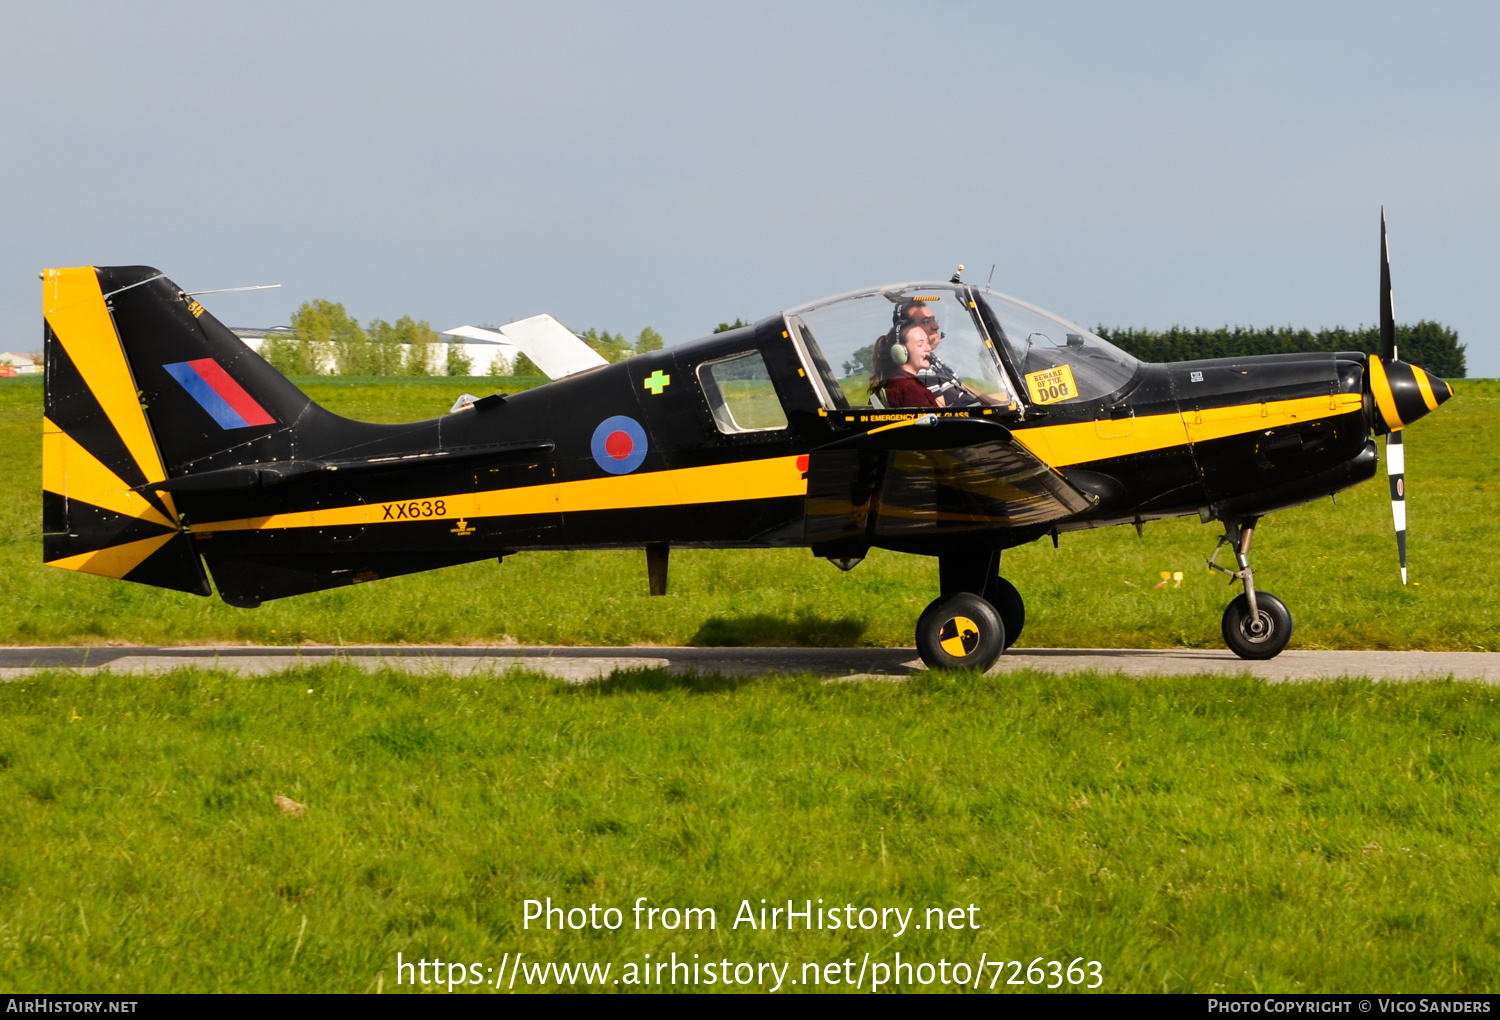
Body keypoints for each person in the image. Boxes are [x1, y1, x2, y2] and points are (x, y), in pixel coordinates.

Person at [870, 321, 940, 407]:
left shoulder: (902, 383)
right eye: (920, 344)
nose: (928, 348)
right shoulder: (908, 389)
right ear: (900, 352)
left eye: (927, 342)